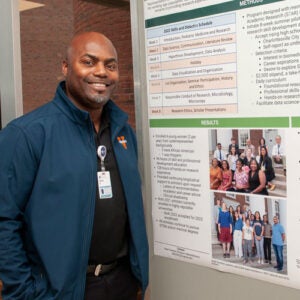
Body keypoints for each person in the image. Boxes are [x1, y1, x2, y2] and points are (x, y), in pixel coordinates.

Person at [0, 32, 149, 300]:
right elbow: (4, 220)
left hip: (122, 283)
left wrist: (138, 278)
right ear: (66, 67)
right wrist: (24, 292)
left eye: (110, 65)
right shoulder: (27, 134)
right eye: (89, 62)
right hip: (61, 291)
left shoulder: (123, 133)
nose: (101, 72)